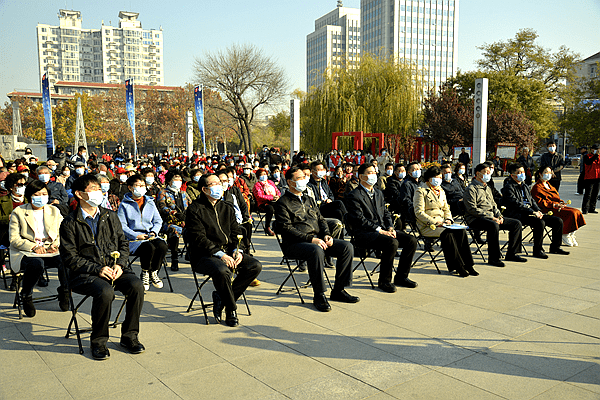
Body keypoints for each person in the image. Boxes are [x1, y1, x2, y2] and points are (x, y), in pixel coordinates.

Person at [60, 174, 145, 360]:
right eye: (93, 189)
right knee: (105, 292)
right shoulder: (70, 222)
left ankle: (130, 336)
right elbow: (70, 257)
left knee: (137, 286)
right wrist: (96, 269)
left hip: (114, 267)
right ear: (79, 194)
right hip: (85, 273)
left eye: (99, 189)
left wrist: (121, 264)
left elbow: (123, 244)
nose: (98, 193)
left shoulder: (110, 216)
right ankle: (98, 341)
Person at [274, 166, 357, 311]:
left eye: (303, 178)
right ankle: (319, 294)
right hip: (295, 243)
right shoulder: (282, 203)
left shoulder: (309, 199)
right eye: (299, 178)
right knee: (316, 251)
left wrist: (326, 234)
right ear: (289, 182)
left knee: (346, 247)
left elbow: (321, 220)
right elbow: (286, 229)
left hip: (317, 239)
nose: (303, 180)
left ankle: (339, 290)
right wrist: (311, 239)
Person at [185, 174, 262, 327]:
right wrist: (221, 255)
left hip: (228, 251)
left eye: (219, 183)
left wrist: (236, 250)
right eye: (214, 184)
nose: (219, 186)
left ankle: (221, 297)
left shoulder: (226, 207)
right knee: (222, 270)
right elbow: (199, 239)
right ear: (205, 189)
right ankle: (231, 309)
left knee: (255, 265)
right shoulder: (195, 209)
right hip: (204, 255)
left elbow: (235, 233)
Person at [345, 163, 418, 292]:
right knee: (392, 243)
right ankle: (384, 281)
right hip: (365, 234)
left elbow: (385, 213)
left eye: (374, 172)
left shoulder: (378, 193)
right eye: (370, 173)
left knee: (411, 240)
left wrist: (390, 227)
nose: (374, 175)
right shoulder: (354, 195)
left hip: (383, 230)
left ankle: (401, 276)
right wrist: (380, 230)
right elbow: (360, 220)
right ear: (361, 177)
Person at [9, 180, 69, 317]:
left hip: (49, 249)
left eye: (44, 194)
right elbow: (14, 239)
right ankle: (26, 294)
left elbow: (62, 232)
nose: (41, 197)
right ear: (30, 196)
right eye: (37, 194)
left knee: (66, 260)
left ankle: (65, 290)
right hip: (25, 251)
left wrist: (56, 244)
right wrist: (34, 246)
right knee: (36, 264)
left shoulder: (54, 210)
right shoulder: (18, 212)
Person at [414, 166, 477, 277]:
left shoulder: (441, 190)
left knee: (461, 231)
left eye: (439, 177)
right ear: (429, 178)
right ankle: (458, 266)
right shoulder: (421, 191)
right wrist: (435, 222)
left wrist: (449, 219)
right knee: (447, 234)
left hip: (443, 223)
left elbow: (446, 208)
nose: (438, 179)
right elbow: (419, 212)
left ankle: (468, 265)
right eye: (435, 177)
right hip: (429, 225)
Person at [463, 163, 526, 268]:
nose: (488, 174)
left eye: (489, 172)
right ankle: (494, 258)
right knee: (493, 225)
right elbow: (472, 209)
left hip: (492, 217)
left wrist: (499, 215)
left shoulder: (487, 187)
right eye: (486, 172)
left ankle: (512, 253)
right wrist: (491, 217)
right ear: (478, 174)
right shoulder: (471, 189)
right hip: (476, 218)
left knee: (516, 224)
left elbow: (493, 204)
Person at [501, 163, 569, 259]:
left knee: (557, 221)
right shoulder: (508, 187)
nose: (522, 174)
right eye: (519, 172)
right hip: (518, 214)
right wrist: (532, 212)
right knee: (539, 222)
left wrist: (538, 211)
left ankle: (555, 247)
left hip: (531, 212)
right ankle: (537, 250)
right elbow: (516, 204)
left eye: (523, 172)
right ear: (512, 175)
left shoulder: (524, 186)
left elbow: (532, 201)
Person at [117, 174, 167, 291]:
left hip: (150, 235)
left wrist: (154, 232)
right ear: (130, 187)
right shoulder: (124, 204)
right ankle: (145, 272)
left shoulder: (150, 202)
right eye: (137, 185)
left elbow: (158, 220)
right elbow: (122, 225)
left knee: (162, 246)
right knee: (148, 247)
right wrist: (136, 235)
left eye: (143, 185)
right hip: (133, 238)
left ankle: (153, 271)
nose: (141, 188)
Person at [531, 167, 586, 247]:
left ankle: (571, 233)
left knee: (577, 211)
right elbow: (539, 202)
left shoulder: (550, 185)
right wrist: (554, 204)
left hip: (556, 207)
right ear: (540, 174)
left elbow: (556, 198)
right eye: (546, 172)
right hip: (547, 209)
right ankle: (565, 233)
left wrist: (561, 203)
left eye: (550, 172)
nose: (548, 174)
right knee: (571, 213)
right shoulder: (537, 187)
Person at [156, 171, 188, 272]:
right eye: (175, 180)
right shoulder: (163, 193)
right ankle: (175, 259)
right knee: (175, 230)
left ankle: (191, 253)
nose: (178, 182)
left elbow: (190, 205)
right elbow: (162, 207)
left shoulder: (183, 193)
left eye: (179, 180)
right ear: (169, 181)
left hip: (184, 220)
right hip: (169, 221)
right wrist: (173, 212)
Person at [252, 168, 281, 236]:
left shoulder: (270, 182)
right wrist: (271, 198)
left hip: (274, 201)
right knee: (270, 209)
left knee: (281, 207)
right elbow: (259, 196)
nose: (264, 175)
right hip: (263, 203)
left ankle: (278, 225)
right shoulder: (257, 185)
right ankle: (267, 227)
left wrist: (277, 196)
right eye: (262, 174)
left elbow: (277, 191)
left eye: (265, 174)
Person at [399, 162, 421, 226]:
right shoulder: (406, 184)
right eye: (414, 170)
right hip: (414, 210)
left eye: (418, 169)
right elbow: (406, 200)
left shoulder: (422, 183)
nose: (417, 171)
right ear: (409, 173)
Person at [581, 144, 600, 214]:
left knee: (595, 194)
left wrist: (597, 156)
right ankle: (585, 208)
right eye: (595, 149)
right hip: (589, 178)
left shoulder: (599, 157)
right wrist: (595, 156)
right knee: (588, 194)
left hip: (597, 178)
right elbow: (588, 163)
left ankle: (592, 208)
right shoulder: (587, 156)